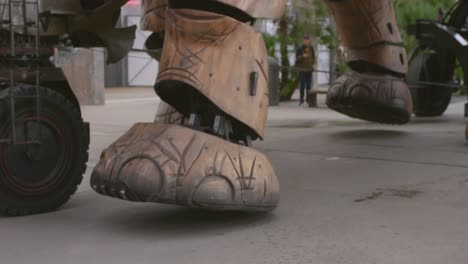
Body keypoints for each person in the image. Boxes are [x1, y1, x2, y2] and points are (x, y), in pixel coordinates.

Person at [296, 34, 315, 106]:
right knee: (302, 85)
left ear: (309, 41)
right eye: (305, 40)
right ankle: (301, 100)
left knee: (309, 85)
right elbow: (297, 59)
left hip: (309, 69)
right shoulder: (300, 49)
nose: (306, 41)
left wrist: (313, 65)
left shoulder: (311, 48)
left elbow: (313, 58)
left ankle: (308, 99)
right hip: (302, 70)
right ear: (303, 41)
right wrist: (302, 56)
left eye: (307, 40)